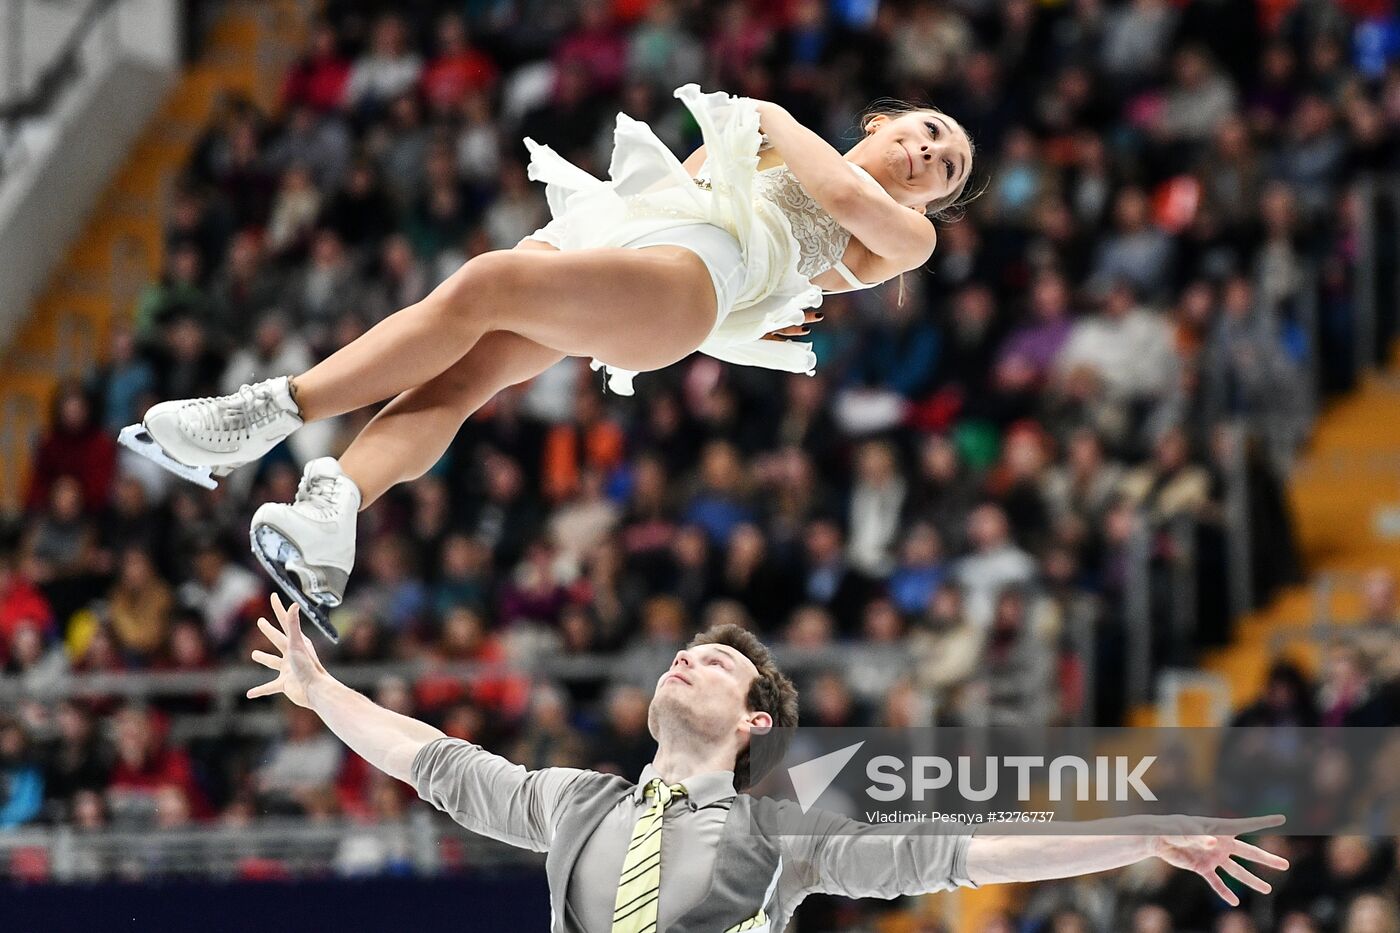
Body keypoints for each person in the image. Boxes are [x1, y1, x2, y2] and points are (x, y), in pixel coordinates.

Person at [119, 84, 975, 637]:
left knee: (486, 281)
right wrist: (576, 236)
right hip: (636, 242)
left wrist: (770, 114)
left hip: (690, 281)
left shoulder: (904, 236)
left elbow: (834, 195)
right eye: (929, 132)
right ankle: (330, 512)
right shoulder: (758, 138)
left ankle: (258, 417)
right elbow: (676, 192)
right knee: (465, 373)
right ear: (886, 119)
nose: (929, 155)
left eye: (945, 168)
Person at [246, 594, 1287, 931]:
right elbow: (431, 760)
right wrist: (320, 691)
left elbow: (967, 850)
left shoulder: (783, 836)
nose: (686, 655)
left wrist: (1140, 833)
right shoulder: (572, 804)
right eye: (682, 650)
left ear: (751, 725)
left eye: (717, 664)